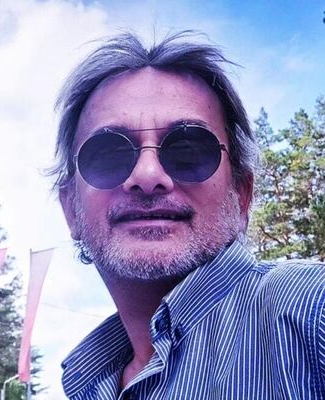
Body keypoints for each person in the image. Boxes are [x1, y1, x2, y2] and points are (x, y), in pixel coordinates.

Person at [52, 31, 325, 399]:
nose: (147, 175)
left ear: (241, 195)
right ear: (70, 207)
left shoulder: (312, 312)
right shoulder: (92, 382)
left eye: (188, 151)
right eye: (109, 154)